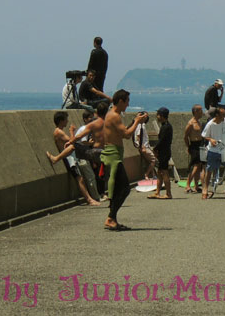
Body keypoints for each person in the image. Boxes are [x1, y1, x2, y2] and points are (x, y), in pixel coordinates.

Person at [101, 90, 148, 231]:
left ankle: (112, 219)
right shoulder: (114, 116)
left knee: (118, 189)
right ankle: (110, 218)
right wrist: (137, 122)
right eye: (127, 101)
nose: (128, 104)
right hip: (113, 156)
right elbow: (127, 135)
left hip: (114, 154)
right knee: (125, 188)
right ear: (121, 101)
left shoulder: (111, 115)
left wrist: (134, 121)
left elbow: (122, 132)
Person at [47, 111, 100, 206]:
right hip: (69, 159)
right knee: (80, 179)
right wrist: (71, 131)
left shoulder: (60, 131)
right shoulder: (59, 132)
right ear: (61, 121)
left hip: (72, 157)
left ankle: (90, 199)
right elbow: (72, 142)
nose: (67, 121)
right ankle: (89, 200)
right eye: (66, 119)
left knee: (81, 178)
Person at [148, 107, 173, 199]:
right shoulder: (165, 126)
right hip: (163, 151)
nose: (157, 117)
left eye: (158, 115)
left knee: (164, 172)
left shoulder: (166, 127)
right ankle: (157, 192)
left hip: (164, 152)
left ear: (162, 116)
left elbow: (161, 141)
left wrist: (155, 149)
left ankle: (168, 193)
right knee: (159, 172)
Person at [183, 105, 205, 194]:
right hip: (194, 145)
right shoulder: (191, 123)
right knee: (195, 165)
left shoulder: (199, 122)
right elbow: (185, 137)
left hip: (200, 144)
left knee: (199, 166)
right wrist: (188, 147)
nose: (202, 112)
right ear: (195, 112)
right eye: (200, 111)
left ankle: (196, 185)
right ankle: (188, 185)